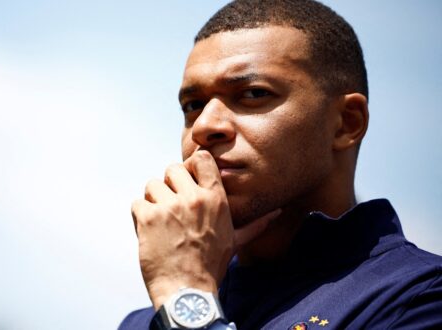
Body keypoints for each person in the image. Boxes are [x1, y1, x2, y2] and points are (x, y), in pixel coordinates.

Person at [118, 0, 442, 329]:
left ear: (346, 123)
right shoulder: (143, 324)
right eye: (193, 104)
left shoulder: (420, 298)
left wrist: (185, 300)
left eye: (254, 94)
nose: (204, 125)